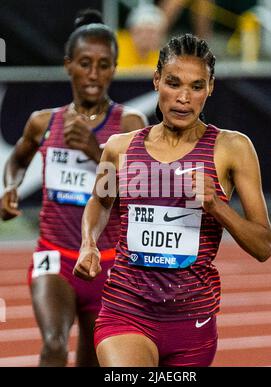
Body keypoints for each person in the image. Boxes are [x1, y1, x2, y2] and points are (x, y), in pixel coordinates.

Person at [73, 33, 271, 367]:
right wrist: (89, 243)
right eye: (173, 83)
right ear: (156, 81)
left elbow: (263, 246)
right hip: (126, 310)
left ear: (210, 88)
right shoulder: (120, 148)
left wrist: (217, 207)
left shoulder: (232, 149)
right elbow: (100, 201)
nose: (183, 98)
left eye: (196, 86)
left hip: (192, 321)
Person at [0, 9, 147, 367]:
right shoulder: (43, 121)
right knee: (53, 344)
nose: (94, 75)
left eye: (104, 64)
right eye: (85, 63)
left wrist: (95, 151)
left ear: (114, 68)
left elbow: (138, 192)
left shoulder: (130, 123)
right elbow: (17, 161)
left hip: (108, 262)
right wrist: (10, 187)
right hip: (54, 256)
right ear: (68, 65)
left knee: (93, 358)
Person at [117, 3, 167, 71]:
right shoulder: (118, 46)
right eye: (149, 32)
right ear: (133, 31)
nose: (152, 37)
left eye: (157, 33)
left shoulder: (161, 54)